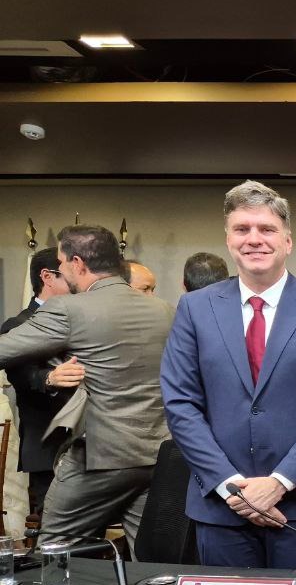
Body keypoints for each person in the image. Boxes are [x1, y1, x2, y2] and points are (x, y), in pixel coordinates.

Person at [161, 181, 296, 568]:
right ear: (229, 239)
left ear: (288, 241)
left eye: (267, 229)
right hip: (221, 506)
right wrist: (230, 484)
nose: (255, 239)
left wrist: (279, 482)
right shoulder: (194, 309)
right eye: (242, 229)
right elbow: (180, 404)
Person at [0, 225, 173, 549]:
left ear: (78, 264)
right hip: (155, 454)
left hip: (102, 455)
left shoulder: (71, 309)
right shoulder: (161, 309)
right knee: (148, 557)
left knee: (56, 550)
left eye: (63, 263)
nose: (62, 271)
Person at [0, 248, 75, 514]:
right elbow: (20, 375)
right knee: (53, 536)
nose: (78, 282)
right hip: (48, 446)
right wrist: (49, 378)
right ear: (47, 277)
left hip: (89, 447)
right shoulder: (18, 324)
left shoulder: (83, 318)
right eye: (70, 275)